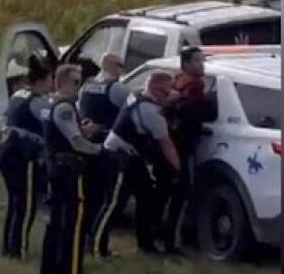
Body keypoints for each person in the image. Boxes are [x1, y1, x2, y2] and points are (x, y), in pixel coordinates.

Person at [90, 71, 181, 258]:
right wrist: (177, 169)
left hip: (130, 157)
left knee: (146, 196)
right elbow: (167, 145)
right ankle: (97, 247)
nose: (169, 94)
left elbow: (169, 96)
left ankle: (145, 244)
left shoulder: (138, 94)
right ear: (156, 88)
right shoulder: (151, 112)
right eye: (166, 90)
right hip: (119, 158)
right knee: (115, 203)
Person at [40, 64, 103, 274]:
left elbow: (63, 133)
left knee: (56, 221)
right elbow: (75, 142)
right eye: (76, 82)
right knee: (74, 223)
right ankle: (71, 268)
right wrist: (101, 150)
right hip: (68, 169)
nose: (79, 86)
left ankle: (50, 268)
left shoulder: (51, 103)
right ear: (62, 82)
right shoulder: (65, 106)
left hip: (55, 166)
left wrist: (83, 130)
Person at [155, 46, 214, 254]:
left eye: (202, 60)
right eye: (197, 61)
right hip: (183, 146)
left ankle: (161, 236)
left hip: (171, 143)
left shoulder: (177, 80)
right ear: (187, 64)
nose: (202, 64)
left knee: (166, 193)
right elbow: (195, 112)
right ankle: (173, 241)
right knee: (182, 193)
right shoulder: (194, 85)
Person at [0, 55, 53, 259]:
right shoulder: (38, 103)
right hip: (24, 155)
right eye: (50, 79)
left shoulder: (19, 94)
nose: (52, 83)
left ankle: (8, 247)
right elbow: (52, 123)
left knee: (15, 201)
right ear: (42, 80)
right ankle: (20, 248)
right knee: (26, 204)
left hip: (5, 149)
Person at [77, 53, 129, 247]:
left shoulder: (87, 86)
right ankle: (98, 241)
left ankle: (85, 235)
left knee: (91, 194)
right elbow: (131, 108)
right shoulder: (116, 88)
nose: (122, 70)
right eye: (120, 65)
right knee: (111, 197)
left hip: (88, 145)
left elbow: (81, 110)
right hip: (108, 146)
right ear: (110, 65)